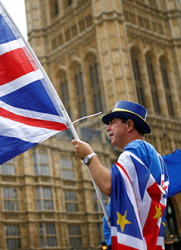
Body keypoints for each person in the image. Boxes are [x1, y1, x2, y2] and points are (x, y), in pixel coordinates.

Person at [72, 100, 169, 250]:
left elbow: (109, 185)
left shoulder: (137, 147)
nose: (107, 128)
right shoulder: (157, 157)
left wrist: (89, 156)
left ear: (129, 125)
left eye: (112, 122)